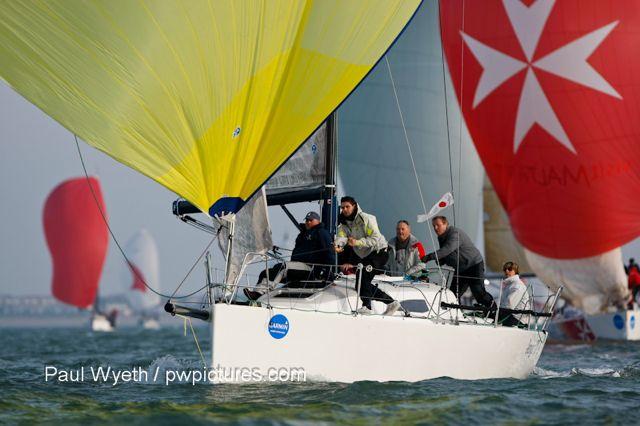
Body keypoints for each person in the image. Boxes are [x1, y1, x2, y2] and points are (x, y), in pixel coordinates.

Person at [244, 211, 335, 300]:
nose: (308, 222)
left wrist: (330, 273)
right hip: (297, 267)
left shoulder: (322, 232)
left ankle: (261, 292)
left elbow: (329, 251)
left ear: (318, 221)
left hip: (311, 269)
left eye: (311, 220)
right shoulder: (302, 234)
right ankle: (257, 294)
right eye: (307, 220)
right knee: (266, 272)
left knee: (283, 267)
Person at [334, 196, 401, 316]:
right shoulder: (343, 223)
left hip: (379, 251)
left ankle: (367, 307)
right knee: (359, 283)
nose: (344, 209)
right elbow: (341, 237)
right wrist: (338, 245)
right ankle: (391, 303)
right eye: (343, 207)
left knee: (363, 275)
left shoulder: (367, 219)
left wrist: (357, 242)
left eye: (347, 207)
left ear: (354, 206)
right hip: (366, 256)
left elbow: (375, 239)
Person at [421, 216, 494, 308]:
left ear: (445, 224)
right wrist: (442, 260)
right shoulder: (441, 237)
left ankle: (494, 311)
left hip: (474, 265)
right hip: (461, 269)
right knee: (452, 293)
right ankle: (455, 313)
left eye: (438, 225)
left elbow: (448, 248)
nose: (435, 228)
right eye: (434, 226)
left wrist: (429, 257)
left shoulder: (455, 233)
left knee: (478, 292)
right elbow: (450, 253)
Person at [498, 261, 529, 327]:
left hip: (517, 319)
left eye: (509, 269)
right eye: (505, 269)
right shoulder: (510, 285)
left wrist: (496, 312)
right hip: (510, 315)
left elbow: (509, 305)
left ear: (515, 271)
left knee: (490, 320)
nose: (506, 271)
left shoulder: (517, 286)